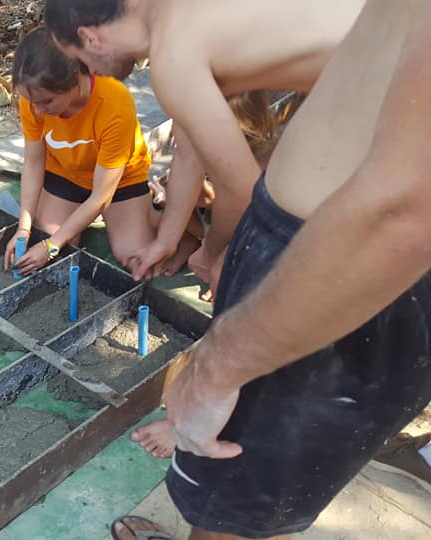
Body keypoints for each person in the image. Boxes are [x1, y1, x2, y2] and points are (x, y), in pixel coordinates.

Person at [95, 1, 431, 538]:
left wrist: (215, 370)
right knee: (250, 494)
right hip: (323, 245)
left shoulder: (176, 51)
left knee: (234, 493)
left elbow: (402, 213)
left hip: (339, 260)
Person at [43, 0, 366, 293]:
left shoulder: (172, 57)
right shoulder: (171, 15)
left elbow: (242, 192)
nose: (91, 73)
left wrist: (213, 251)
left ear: (89, 38)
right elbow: (187, 153)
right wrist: (168, 239)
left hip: (390, 73)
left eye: (79, 60)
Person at [5, 29, 195, 276]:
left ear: (74, 79)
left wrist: (50, 246)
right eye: (32, 102)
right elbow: (33, 163)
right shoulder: (33, 97)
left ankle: (180, 231)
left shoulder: (114, 103)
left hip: (119, 180)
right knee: (59, 245)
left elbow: (100, 197)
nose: (37, 110)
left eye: (47, 102)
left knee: (134, 256)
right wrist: (24, 229)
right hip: (66, 172)